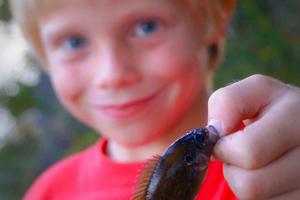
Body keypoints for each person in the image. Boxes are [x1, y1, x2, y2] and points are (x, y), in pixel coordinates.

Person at [10, 0, 300, 199]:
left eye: (146, 26)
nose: (112, 74)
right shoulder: (47, 192)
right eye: (74, 42)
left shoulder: (278, 162)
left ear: (212, 20)